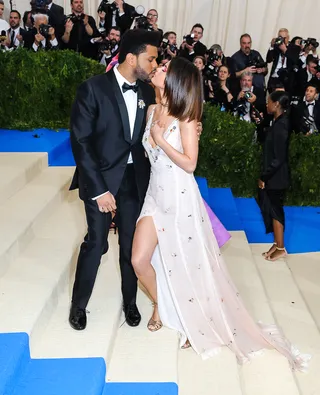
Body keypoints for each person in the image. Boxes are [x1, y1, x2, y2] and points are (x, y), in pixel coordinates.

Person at [131, 57, 310, 370]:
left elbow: (189, 164)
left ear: (175, 80)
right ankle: (162, 302)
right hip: (154, 197)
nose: (158, 68)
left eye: (164, 68)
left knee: (188, 264)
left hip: (180, 198)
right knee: (138, 259)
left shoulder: (186, 118)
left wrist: (161, 140)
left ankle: (192, 317)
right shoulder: (149, 110)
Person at [68, 29, 161, 330]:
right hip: (101, 181)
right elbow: (81, 142)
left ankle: (130, 302)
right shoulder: (92, 89)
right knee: (96, 244)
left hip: (134, 180)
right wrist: (98, 191)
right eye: (151, 59)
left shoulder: (148, 93)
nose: (155, 65)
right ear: (132, 58)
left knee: (130, 247)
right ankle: (78, 304)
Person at [257, 91, 291, 261]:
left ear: (277, 104)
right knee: (272, 209)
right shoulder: (276, 122)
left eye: (269, 102)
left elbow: (279, 158)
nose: (267, 104)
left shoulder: (282, 125)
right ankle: (277, 243)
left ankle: (281, 247)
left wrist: (264, 176)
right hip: (274, 175)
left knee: (276, 211)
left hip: (276, 177)